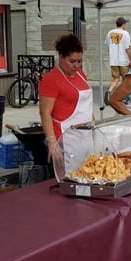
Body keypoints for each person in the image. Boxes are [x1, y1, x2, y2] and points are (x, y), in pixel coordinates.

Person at [39, 33, 94, 165]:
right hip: (66, 140)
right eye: (72, 61)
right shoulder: (51, 79)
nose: (76, 66)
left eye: (79, 61)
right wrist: (52, 142)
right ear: (61, 57)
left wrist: (94, 128)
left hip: (86, 137)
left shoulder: (80, 74)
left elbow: (87, 106)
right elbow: (45, 112)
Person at [106, 16, 131, 98]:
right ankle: (124, 97)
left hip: (113, 61)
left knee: (115, 79)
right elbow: (127, 49)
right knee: (126, 80)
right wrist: (130, 60)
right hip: (123, 61)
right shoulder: (125, 33)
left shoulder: (109, 33)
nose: (126, 25)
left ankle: (109, 91)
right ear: (123, 24)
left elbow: (108, 46)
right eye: (125, 24)